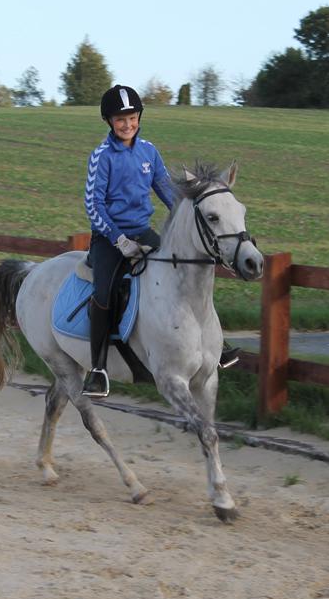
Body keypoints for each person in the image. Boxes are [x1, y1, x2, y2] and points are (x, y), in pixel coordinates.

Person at [81, 84, 238, 398]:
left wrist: (190, 213)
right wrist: (118, 239)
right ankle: (98, 369)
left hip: (144, 231)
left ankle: (214, 346)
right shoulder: (101, 157)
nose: (127, 124)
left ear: (139, 116)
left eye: (132, 117)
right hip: (110, 238)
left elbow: (168, 193)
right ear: (109, 121)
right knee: (104, 292)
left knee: (188, 276)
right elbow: (93, 205)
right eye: (120, 119)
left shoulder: (149, 151)